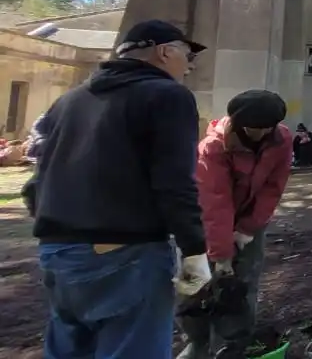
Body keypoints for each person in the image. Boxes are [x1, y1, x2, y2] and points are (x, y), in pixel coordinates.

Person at [21, 20, 211, 358]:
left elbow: (38, 179)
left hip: (58, 253)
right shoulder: (168, 95)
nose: (190, 65)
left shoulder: (69, 100)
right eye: (186, 54)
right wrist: (194, 249)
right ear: (164, 52)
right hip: (127, 254)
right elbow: (175, 181)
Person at [180, 90, 292, 359]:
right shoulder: (213, 148)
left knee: (241, 286)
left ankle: (231, 346)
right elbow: (214, 201)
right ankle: (196, 343)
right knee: (194, 286)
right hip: (202, 225)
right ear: (240, 124)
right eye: (257, 128)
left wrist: (248, 228)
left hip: (249, 222)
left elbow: (273, 187)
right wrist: (221, 255)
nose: (263, 133)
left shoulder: (281, 139)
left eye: (269, 127)